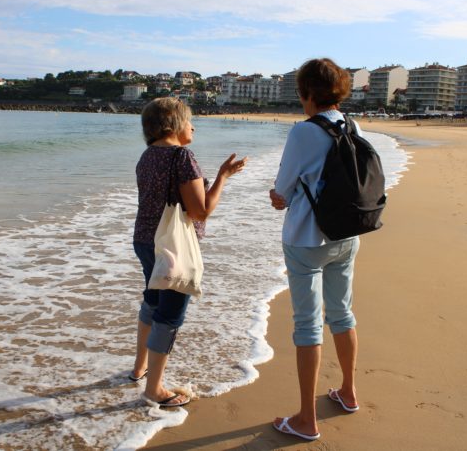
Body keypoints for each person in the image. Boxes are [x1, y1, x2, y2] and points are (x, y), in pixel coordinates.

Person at [131, 97, 247, 407]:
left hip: (145, 239)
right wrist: (222, 177)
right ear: (175, 124)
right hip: (172, 246)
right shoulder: (182, 156)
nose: (193, 126)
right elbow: (201, 211)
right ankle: (154, 389)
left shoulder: (148, 156)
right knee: (169, 314)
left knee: (152, 301)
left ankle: (139, 367)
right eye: (190, 120)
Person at [269, 58, 362, 440]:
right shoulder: (353, 124)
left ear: (307, 92)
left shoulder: (303, 132)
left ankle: (307, 419)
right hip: (346, 234)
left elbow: (282, 191)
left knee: (307, 325)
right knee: (342, 313)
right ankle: (348, 392)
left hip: (307, 238)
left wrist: (278, 197)